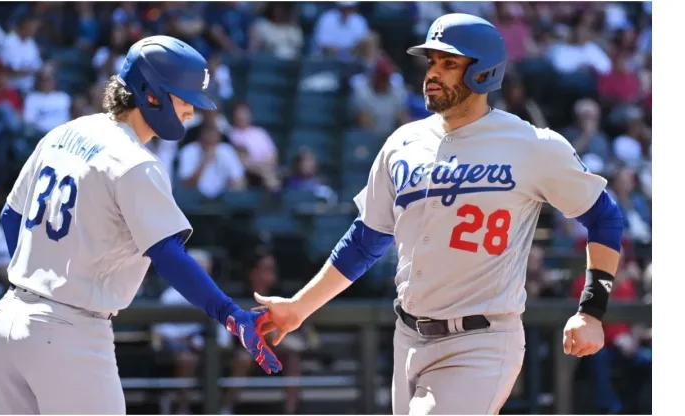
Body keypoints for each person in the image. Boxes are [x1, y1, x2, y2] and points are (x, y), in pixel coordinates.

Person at [255, 14, 624, 415]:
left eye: (449, 63)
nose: (433, 73)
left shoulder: (533, 145)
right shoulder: (403, 143)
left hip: (482, 338)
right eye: (431, 62)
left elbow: (604, 217)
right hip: (408, 336)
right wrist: (299, 307)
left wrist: (591, 310)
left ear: (483, 72)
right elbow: (366, 240)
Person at [0, 36, 281, 415]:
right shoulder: (135, 162)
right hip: (69, 334)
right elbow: (168, 254)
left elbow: (12, 217)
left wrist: (39, 278)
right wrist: (229, 314)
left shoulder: (64, 132)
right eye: (184, 99)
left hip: (10, 322)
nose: (191, 112)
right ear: (151, 95)